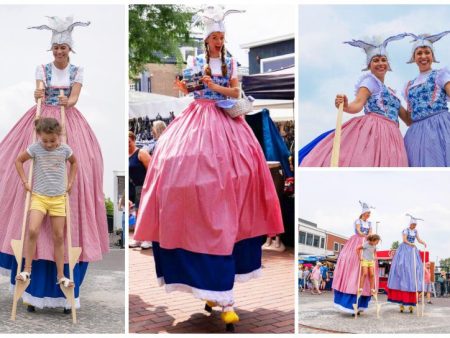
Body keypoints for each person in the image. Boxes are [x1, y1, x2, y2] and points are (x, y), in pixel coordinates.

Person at [133, 5, 284, 330]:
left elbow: (235, 91)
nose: (218, 41)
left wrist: (213, 88)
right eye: (214, 37)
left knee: (242, 170)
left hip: (225, 118)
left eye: (221, 36)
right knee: (174, 165)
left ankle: (222, 287)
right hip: (196, 119)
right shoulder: (193, 63)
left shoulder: (230, 62)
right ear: (206, 40)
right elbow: (190, 88)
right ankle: (207, 280)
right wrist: (186, 88)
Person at [0, 16, 108, 311]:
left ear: (69, 50)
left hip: (65, 119)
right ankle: (30, 277)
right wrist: (39, 93)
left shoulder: (77, 70)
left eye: (63, 47)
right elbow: (38, 89)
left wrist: (65, 101)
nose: (59, 51)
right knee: (16, 159)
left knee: (82, 164)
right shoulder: (42, 69)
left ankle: (63, 281)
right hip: (42, 119)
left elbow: (73, 98)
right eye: (56, 47)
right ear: (52, 50)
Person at [300, 34, 410, 167]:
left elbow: (408, 120)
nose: (380, 63)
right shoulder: (370, 82)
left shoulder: (392, 93)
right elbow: (358, 104)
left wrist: (413, 99)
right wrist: (346, 105)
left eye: (383, 60)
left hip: (392, 136)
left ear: (388, 64)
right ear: (369, 65)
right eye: (375, 60)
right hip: (374, 132)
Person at [15, 117, 77, 288]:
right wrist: (24, 181)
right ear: (39, 136)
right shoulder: (35, 148)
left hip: (58, 199)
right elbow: (18, 161)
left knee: (58, 237)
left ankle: (60, 276)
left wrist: (70, 182)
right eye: (45, 140)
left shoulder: (65, 149)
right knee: (33, 229)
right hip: (39, 197)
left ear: (59, 135)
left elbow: (74, 163)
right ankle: (27, 270)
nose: (49, 144)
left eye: (52, 140)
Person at [403, 32, 450, 166]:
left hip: (441, 126)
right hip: (417, 133)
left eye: (427, 52)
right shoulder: (408, 86)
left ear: (432, 56)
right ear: (414, 57)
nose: (423, 56)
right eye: (419, 53)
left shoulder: (441, 75)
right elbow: (409, 118)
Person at [332, 201, 378, 314]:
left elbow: (371, 233)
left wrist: (369, 238)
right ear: (363, 213)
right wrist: (364, 235)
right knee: (353, 264)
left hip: (367, 243)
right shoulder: (358, 221)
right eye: (367, 213)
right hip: (357, 240)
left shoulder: (370, 223)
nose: (369, 215)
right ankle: (349, 302)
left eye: (369, 214)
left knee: (367, 271)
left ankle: (361, 302)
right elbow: (358, 230)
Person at [387, 214, 426, 313]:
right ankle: (401, 303)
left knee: (414, 268)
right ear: (410, 224)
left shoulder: (415, 231)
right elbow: (404, 240)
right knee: (403, 266)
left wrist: (422, 242)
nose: (414, 226)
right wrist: (410, 244)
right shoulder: (405, 230)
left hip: (413, 250)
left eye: (415, 225)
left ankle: (411, 302)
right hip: (405, 249)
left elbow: (418, 239)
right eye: (413, 224)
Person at [128, 131, 152, 249]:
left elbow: (152, 170)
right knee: (138, 214)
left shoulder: (141, 153)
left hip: (143, 187)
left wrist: (149, 187)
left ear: (133, 140)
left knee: (145, 213)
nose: (127, 144)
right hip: (133, 189)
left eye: (129, 142)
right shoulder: (125, 155)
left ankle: (148, 238)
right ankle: (138, 238)